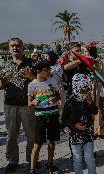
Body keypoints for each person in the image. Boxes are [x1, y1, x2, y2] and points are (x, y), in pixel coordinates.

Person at [0, 38, 35, 173]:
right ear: (9, 49)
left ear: (22, 47)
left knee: (31, 135)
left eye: (17, 45)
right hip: (10, 105)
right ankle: (12, 161)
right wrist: (2, 82)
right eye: (12, 46)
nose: (15, 48)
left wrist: (30, 76)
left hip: (28, 105)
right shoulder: (5, 65)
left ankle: (32, 159)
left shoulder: (31, 63)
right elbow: (1, 86)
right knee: (12, 135)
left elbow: (40, 80)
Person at [28, 59, 61, 174]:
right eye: (46, 70)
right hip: (40, 117)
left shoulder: (52, 80)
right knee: (38, 143)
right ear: (38, 71)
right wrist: (33, 103)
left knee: (51, 142)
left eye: (49, 69)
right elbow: (29, 102)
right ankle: (32, 168)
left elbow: (58, 96)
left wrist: (55, 99)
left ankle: (50, 164)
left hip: (53, 115)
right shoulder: (32, 85)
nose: (48, 71)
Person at [61, 73, 98, 174]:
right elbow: (63, 120)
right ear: (77, 88)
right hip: (75, 134)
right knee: (77, 158)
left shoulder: (87, 100)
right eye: (83, 89)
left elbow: (95, 112)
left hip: (88, 133)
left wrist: (90, 102)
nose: (86, 91)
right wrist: (74, 125)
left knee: (89, 157)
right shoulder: (70, 102)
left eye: (87, 88)